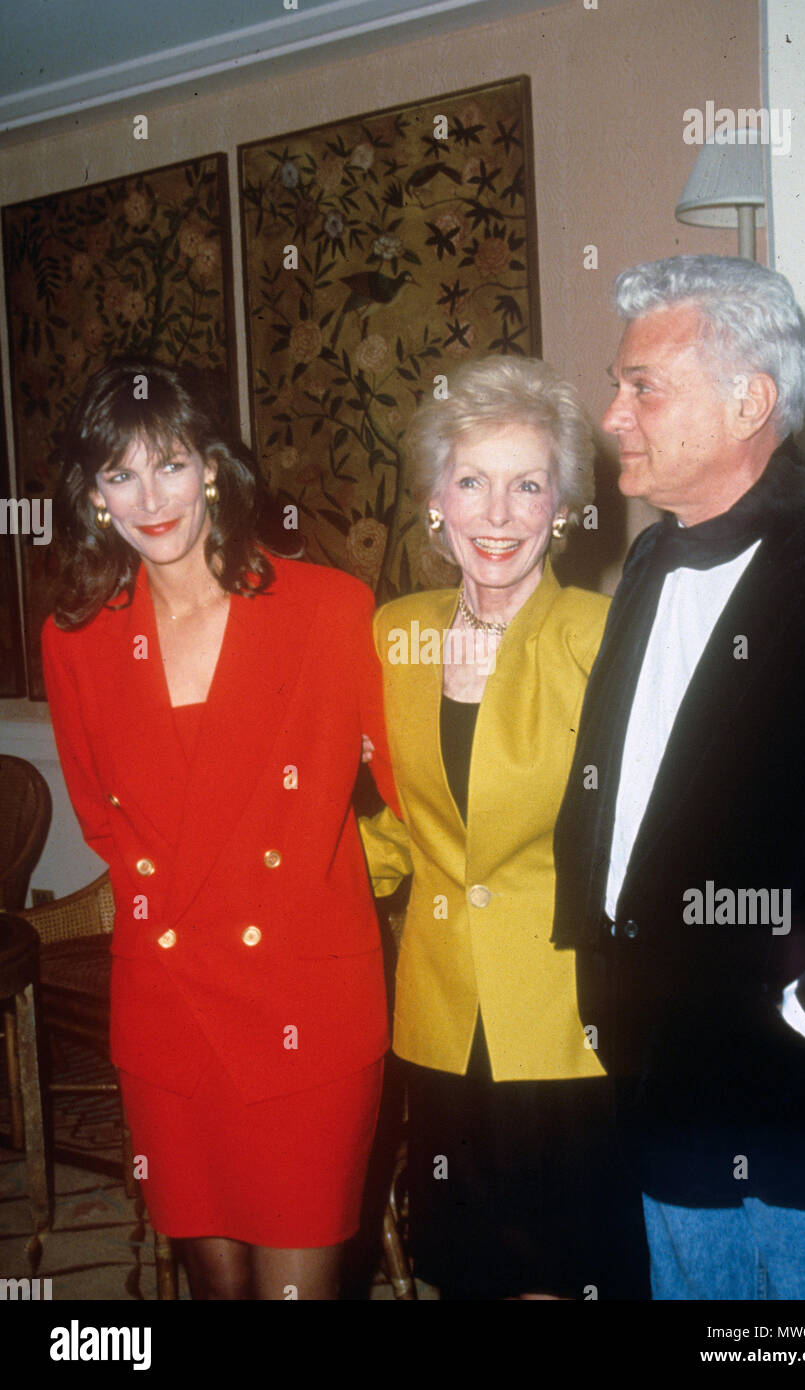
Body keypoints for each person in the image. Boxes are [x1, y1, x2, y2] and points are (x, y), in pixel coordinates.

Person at [553, 255, 805, 1300]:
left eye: (642, 386)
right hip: (660, 1082)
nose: (613, 416)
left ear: (749, 402)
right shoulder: (650, 566)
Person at [42, 359, 399, 1300]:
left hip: (304, 1010)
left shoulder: (330, 609)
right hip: (168, 1007)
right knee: (214, 1283)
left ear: (211, 467)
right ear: (91, 496)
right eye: (119, 474)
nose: (149, 498)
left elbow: (410, 793)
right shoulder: (75, 637)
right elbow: (102, 822)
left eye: (168, 464)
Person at [360, 355, 649, 1300]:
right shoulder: (389, 638)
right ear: (433, 500)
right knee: (467, 1264)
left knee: (562, 1271)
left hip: (566, 1018)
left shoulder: (604, 639)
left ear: (562, 507)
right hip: (440, 1016)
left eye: (527, 486)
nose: (496, 514)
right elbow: (392, 828)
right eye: (471, 482)